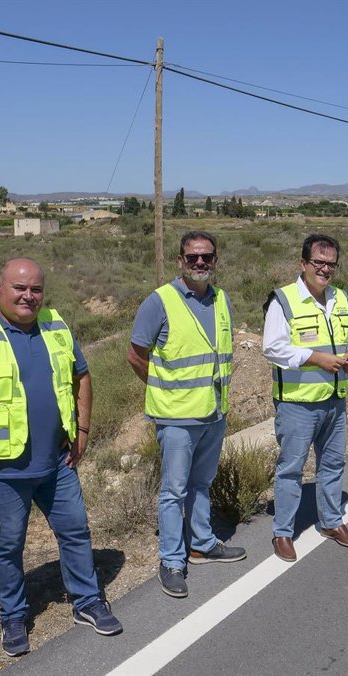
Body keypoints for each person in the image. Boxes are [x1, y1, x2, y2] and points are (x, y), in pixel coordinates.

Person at [0, 258, 122, 657]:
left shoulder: (56, 326)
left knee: (75, 531)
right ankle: (13, 616)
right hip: (4, 470)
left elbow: (81, 376)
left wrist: (83, 431)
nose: (28, 296)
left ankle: (88, 601)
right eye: (19, 288)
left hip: (57, 462)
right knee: (8, 545)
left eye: (36, 289)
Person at [127, 231, 246, 599]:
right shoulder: (159, 302)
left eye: (206, 256)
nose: (199, 262)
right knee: (173, 492)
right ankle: (172, 561)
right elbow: (136, 355)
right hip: (177, 417)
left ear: (215, 260)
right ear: (180, 260)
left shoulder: (221, 298)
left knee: (201, 483)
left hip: (213, 412)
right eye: (192, 257)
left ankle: (202, 544)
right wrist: (164, 388)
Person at [263, 234, 348, 562]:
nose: (325, 269)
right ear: (303, 263)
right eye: (318, 262)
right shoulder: (284, 300)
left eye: (331, 264)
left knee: (332, 464)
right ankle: (283, 532)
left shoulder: (340, 297)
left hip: (335, 399)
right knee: (291, 468)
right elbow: (273, 348)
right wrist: (315, 358)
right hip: (298, 404)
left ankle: (331, 522)